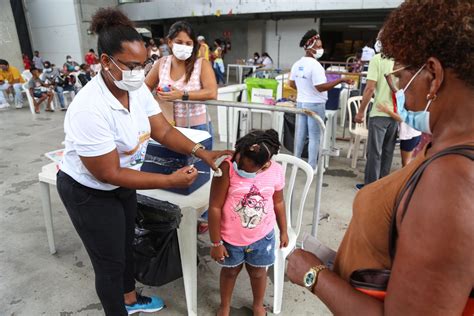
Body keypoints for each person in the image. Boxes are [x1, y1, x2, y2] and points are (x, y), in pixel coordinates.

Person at [287, 1, 474, 315]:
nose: (398, 86)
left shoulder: (451, 182)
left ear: (433, 74)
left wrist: (313, 275)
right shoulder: (444, 149)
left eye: (401, 73)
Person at [56, 8, 229, 316]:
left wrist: (199, 150)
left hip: (122, 183)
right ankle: (118, 308)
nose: (139, 71)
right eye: (131, 65)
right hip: (89, 190)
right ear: (106, 62)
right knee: (108, 264)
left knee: (124, 247)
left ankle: (131, 300)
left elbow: (161, 129)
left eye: (144, 63)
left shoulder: (135, 91)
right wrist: (169, 181)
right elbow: (109, 173)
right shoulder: (89, 108)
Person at [208, 129, 289, 316]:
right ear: (239, 150)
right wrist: (215, 242)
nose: (241, 170)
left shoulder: (275, 171)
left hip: (262, 237)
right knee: (229, 272)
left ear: (265, 165)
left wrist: (283, 230)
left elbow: (278, 202)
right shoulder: (227, 169)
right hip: (230, 240)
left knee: (259, 273)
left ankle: (258, 305)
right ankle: (225, 305)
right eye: (240, 163)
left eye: (248, 169)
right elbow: (214, 207)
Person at [288, 30, 353, 169]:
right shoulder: (315, 65)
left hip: (301, 102)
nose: (321, 49)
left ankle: (296, 162)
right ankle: (312, 167)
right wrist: (340, 80)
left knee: (300, 135)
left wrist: (304, 90)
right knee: (314, 137)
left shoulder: (297, 63)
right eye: (318, 47)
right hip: (315, 104)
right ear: (310, 47)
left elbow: (291, 84)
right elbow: (320, 87)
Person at [145, 21, 217, 131]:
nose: (184, 46)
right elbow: (145, 87)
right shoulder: (162, 63)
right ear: (169, 42)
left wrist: (181, 95)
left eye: (188, 43)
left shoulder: (201, 64)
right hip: (167, 125)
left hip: (198, 127)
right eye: (179, 42)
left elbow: (211, 93)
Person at [354, 33, 398, 189]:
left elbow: (370, 88)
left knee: (374, 153)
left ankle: (370, 187)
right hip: (395, 114)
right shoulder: (400, 60)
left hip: (379, 113)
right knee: (387, 152)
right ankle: (382, 186)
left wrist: (360, 112)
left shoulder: (378, 59)